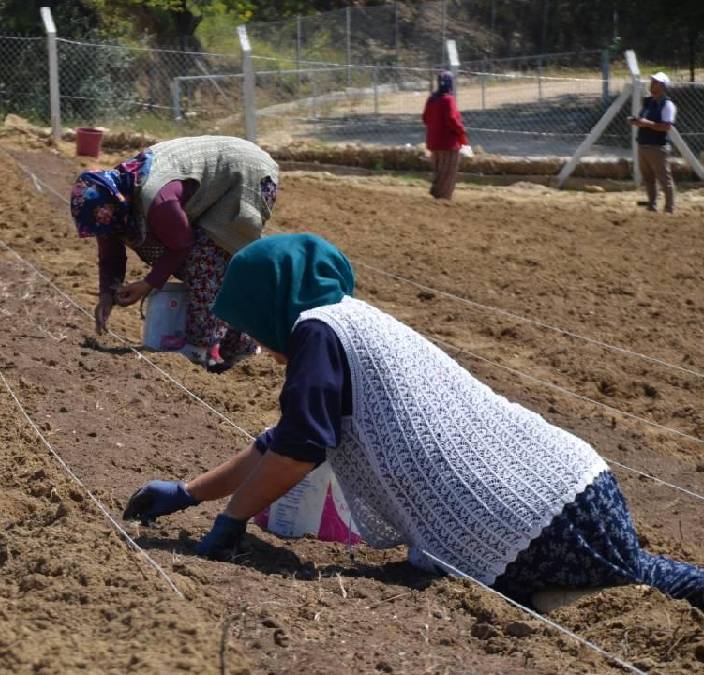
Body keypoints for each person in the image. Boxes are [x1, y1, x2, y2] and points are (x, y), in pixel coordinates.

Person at [124, 233, 704, 610]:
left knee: (623, 583)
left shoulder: (319, 333)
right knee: (639, 576)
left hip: (529, 521)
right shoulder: (347, 322)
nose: (256, 341)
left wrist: (230, 521)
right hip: (574, 487)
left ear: (269, 307)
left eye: (249, 322)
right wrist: (187, 494)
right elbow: (281, 442)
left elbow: (300, 450)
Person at [70, 136, 279, 373]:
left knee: (206, 260)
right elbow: (110, 248)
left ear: (113, 208)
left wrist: (148, 284)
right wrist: (107, 292)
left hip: (246, 175)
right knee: (199, 261)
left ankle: (201, 348)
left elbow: (181, 244)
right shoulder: (116, 196)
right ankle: (237, 345)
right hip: (217, 178)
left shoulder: (156, 199)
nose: (105, 233)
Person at [630, 72, 677, 214]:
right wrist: (636, 121)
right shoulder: (648, 102)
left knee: (664, 179)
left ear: (662, 86)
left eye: (655, 83)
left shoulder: (667, 105)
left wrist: (647, 124)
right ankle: (652, 205)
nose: (652, 86)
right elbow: (643, 119)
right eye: (652, 82)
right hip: (643, 145)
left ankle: (669, 208)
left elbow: (666, 126)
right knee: (648, 178)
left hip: (657, 147)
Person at [422, 71, 469, 200]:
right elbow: (452, 120)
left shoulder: (431, 99)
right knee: (448, 173)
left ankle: (436, 194)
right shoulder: (448, 99)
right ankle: (443, 198)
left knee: (439, 171)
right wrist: (462, 131)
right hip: (448, 143)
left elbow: (425, 119)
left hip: (433, 142)